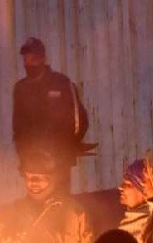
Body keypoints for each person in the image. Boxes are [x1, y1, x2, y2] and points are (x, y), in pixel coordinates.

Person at [12, 37, 96, 194]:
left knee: (60, 203)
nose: (29, 64)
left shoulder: (61, 83)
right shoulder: (21, 89)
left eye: (33, 59)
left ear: (43, 59)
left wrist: (65, 149)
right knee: (36, 206)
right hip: (32, 161)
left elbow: (80, 120)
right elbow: (18, 128)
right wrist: (24, 156)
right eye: (26, 59)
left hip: (59, 161)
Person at [117, 159, 151, 243]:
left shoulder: (149, 227)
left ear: (144, 193)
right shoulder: (128, 222)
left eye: (128, 185)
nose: (120, 187)